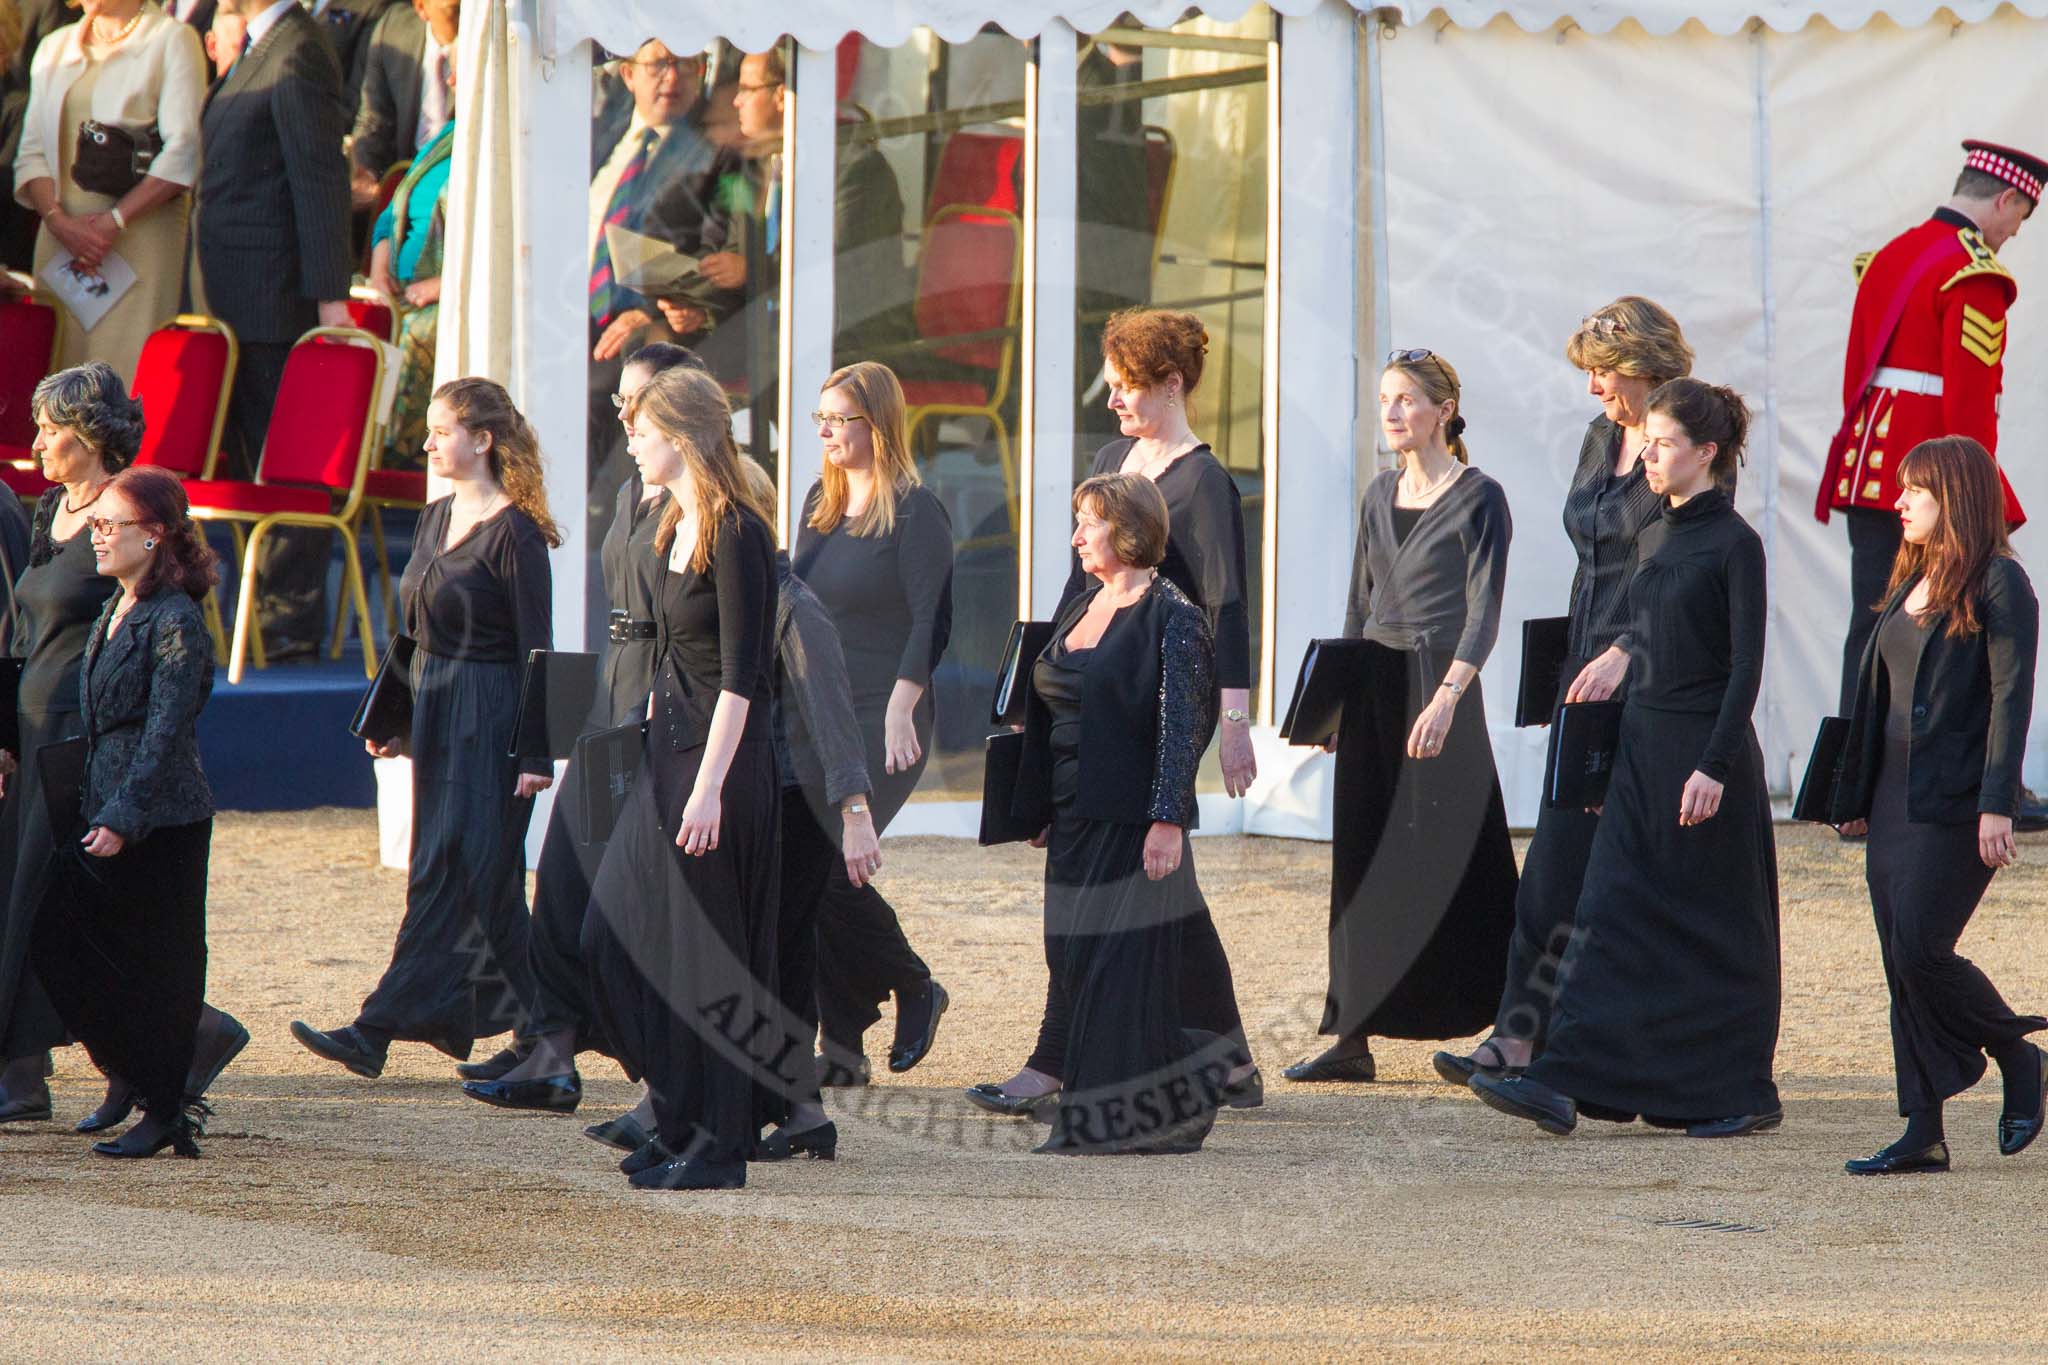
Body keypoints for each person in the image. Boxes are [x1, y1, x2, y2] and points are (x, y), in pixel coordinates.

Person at [1472, 379, 1781, 1139]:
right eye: (1648, 441)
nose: (1649, 453)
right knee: (1609, 913)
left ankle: (1747, 1092)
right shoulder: (1655, 533)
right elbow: (1644, 640)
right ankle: (1568, 1078)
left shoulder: (1737, 544)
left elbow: (1745, 668)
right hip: (1642, 747)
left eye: (1666, 442)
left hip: (1704, 756)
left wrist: (1712, 765)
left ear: (1707, 453)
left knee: (1715, 928)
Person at [970, 308, 1257, 1116]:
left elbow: (1228, 607)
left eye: (1128, 388)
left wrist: (1232, 727)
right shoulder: (1109, 462)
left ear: (1172, 384)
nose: (1114, 402)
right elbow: (1074, 592)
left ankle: (1075, 1055)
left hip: (1167, 681)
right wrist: (1033, 688)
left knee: (1145, 862)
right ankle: (1225, 1055)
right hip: (1099, 675)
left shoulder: (1204, 481)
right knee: (1164, 884)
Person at [1434, 297, 1693, 1086]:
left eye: (1604, 374)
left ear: (1648, 369)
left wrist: (1627, 648)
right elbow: (1592, 553)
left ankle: (1572, 1043)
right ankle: (1519, 1034)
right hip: (1582, 667)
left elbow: (1685, 568)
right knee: (1551, 862)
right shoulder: (1598, 437)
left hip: (1642, 677)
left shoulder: (1684, 443)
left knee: (1603, 869)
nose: (1592, 390)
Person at [291, 379, 559, 1080]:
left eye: (441, 432)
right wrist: (398, 718)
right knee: (486, 879)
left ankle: (374, 1028)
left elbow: (542, 648)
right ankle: (546, 1041)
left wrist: (538, 751)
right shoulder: (438, 517)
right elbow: (412, 632)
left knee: (453, 866)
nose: (428, 443)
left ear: (483, 439)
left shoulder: (519, 534)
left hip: (492, 712)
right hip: (438, 709)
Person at [0, 364, 243, 1130]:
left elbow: (160, 619)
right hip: (33, 735)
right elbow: (23, 634)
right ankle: (91, 1058)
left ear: (92, 435)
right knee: (35, 901)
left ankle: (172, 1038)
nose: (38, 440)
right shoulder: (50, 511)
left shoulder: (125, 512)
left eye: (52, 428)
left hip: (86, 740)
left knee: (52, 905)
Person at [461, 341, 699, 1115]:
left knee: (619, 900)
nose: (623, 413)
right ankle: (552, 1050)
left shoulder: (693, 498)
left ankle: (640, 1069)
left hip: (660, 700)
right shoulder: (636, 488)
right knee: (560, 881)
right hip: (611, 688)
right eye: (621, 400)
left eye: (638, 400)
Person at [1285, 349, 1516, 1085]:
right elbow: (1359, 602)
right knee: (1359, 857)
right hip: (1376, 688)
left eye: (1407, 399)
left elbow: (1486, 612)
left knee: (1465, 853)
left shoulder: (1482, 497)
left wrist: (1448, 696)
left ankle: (1510, 1024)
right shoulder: (1376, 494)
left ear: (1444, 410)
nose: (1391, 412)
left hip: (1441, 685)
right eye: (1385, 399)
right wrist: (1335, 704)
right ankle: (1352, 1034)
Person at [580, 364, 779, 1193]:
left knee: (707, 960)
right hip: (669, 752)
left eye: (644, 427)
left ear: (686, 436)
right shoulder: (671, 521)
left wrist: (709, 787)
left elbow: (744, 675)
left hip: (720, 765)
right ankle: (679, 1109)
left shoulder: (738, 531)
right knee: (612, 936)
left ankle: (718, 1141)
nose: (629, 435)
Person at [1829, 437, 2044, 1175]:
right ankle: (1922, 1129)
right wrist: (1852, 793)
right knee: (1901, 962)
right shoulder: (1910, 576)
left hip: (1954, 801)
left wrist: (1998, 803)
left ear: (1953, 495)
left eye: (1914, 491)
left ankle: (2019, 1052)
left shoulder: (2001, 583)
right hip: (1889, 796)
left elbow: (2011, 700)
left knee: (1922, 944)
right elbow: (1877, 694)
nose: (1899, 502)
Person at [1009, 474, 1223, 1155]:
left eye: (1088, 523)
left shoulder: (1174, 613)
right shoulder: (1082, 605)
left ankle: (1109, 1115)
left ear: (1126, 529)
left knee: (1112, 960)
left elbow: (1183, 725)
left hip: (1129, 815)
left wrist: (1169, 820)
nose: (1075, 536)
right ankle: (1173, 1092)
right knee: (1067, 951)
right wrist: (1037, 801)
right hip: (1071, 812)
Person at [30, 464, 220, 1157]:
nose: (98, 536)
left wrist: (125, 815)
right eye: (97, 523)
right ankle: (128, 1075)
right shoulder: (119, 606)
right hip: (108, 801)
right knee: (62, 937)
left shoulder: (174, 618)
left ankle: (166, 1105)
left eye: (111, 525)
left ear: (156, 534)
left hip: (159, 818)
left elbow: (169, 731)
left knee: (160, 964)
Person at [1817, 141, 2044, 718]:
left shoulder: (1893, 253)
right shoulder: (1974, 274)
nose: (2016, 232)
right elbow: (1969, 410)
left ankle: (1848, 776)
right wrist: (1981, 494)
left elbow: (1856, 377)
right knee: (1954, 625)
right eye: (2022, 215)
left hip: (1871, 468)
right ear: (2006, 198)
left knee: (1870, 624)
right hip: (1937, 482)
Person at [790, 361, 952, 1085]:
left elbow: (932, 620)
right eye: (820, 418)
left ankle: (915, 983)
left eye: (839, 418)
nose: (825, 431)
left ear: (877, 424)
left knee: (831, 869)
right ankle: (845, 1046)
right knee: (814, 874)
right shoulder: (817, 509)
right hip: (819, 715)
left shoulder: (917, 511)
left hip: (886, 716)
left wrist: (899, 706)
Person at [195, 0, 354, 660]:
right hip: (238, 296)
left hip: (274, 299)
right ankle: (266, 609)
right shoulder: (263, 47)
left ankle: (288, 617)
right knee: (255, 453)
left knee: (286, 460)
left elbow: (320, 182)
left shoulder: (298, 51)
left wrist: (330, 300)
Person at [662, 45, 910, 374]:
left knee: (698, 369)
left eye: (747, 90)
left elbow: (837, 266)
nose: (736, 101)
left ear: (781, 96)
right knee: (654, 351)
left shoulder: (857, 170)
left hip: (840, 337)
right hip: (766, 329)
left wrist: (753, 270)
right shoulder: (749, 167)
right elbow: (733, 253)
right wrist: (699, 306)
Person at [13, 0, 204, 380]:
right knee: (57, 381)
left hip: (136, 243)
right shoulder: (55, 46)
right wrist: (58, 221)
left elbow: (185, 151)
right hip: (61, 243)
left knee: (120, 382)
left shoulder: (172, 40)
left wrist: (113, 222)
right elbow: (30, 153)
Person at [585, 39, 739, 485]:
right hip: (573, 304)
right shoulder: (602, 134)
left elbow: (715, 254)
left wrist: (649, 310)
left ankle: (595, 527)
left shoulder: (714, 147)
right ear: (628, 74)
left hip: (656, 317)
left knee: (601, 382)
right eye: (659, 65)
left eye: (686, 65)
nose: (672, 77)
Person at [366, 101, 453, 470]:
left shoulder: (502, 140)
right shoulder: (447, 135)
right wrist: (380, 265)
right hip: (401, 288)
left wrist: (445, 283)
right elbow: (389, 215)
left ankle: (394, 453)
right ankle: (349, 457)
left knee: (415, 332)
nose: (451, 82)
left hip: (446, 293)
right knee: (356, 328)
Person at [346, 0, 455, 210]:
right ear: (422, 8)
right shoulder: (394, 32)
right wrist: (367, 171)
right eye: (455, 12)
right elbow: (374, 118)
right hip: (404, 188)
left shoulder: (495, 46)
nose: (466, 21)